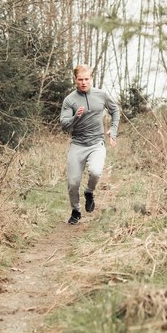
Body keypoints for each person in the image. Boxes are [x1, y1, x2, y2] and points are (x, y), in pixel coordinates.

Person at [60, 64, 120, 225]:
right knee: (72, 183)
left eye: (87, 79)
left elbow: (115, 111)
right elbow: (64, 124)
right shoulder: (70, 100)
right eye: (80, 79)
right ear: (75, 80)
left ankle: (89, 192)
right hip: (78, 144)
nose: (84, 82)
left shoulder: (101, 95)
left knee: (95, 171)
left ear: (91, 79)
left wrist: (113, 131)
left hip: (96, 143)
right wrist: (75, 118)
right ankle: (76, 211)